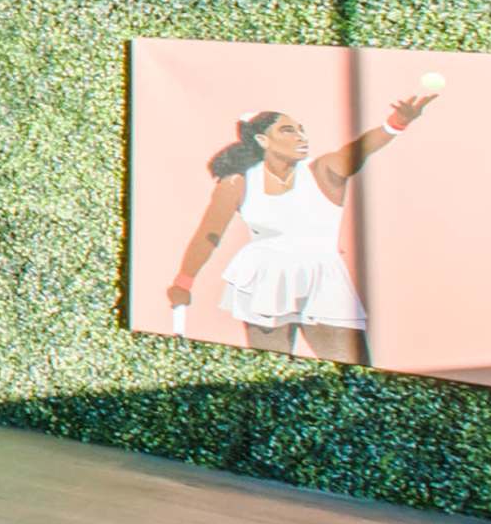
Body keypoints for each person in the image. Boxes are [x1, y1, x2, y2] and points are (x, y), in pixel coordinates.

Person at [159, 91, 435, 365]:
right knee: (269, 379)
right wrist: (184, 282)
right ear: (262, 140)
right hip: (262, 282)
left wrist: (395, 123)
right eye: (288, 130)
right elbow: (209, 235)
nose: (301, 137)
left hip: (324, 281)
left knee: (354, 378)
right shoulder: (237, 183)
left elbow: (361, 148)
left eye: (301, 130)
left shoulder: (324, 169)